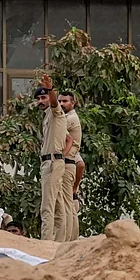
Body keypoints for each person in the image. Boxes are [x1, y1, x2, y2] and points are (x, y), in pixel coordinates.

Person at [34, 74, 67, 241]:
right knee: (59, 207)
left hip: (52, 162)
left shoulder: (55, 112)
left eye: (43, 97)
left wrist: (50, 89)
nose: (41, 100)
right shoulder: (48, 116)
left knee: (47, 207)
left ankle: (45, 245)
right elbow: (69, 139)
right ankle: (61, 244)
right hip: (54, 161)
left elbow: (54, 103)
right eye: (38, 98)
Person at [59, 91, 84, 241]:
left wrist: (62, 157)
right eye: (60, 101)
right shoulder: (67, 117)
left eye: (65, 101)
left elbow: (80, 163)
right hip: (70, 161)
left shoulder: (69, 119)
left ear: (73, 103)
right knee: (68, 204)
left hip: (66, 162)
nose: (62, 104)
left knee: (65, 205)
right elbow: (81, 164)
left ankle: (68, 239)